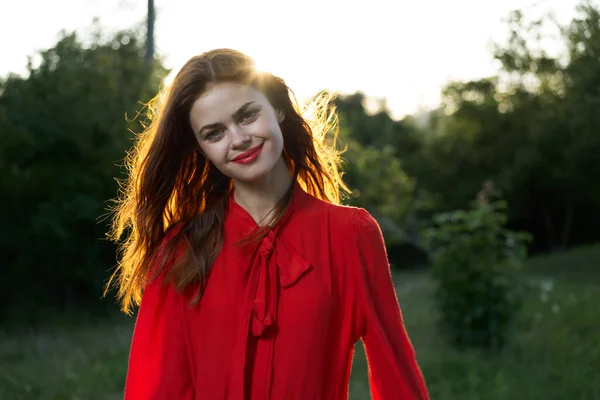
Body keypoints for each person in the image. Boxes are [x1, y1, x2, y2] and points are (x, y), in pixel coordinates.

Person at [106, 48, 429, 400]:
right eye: (214, 133)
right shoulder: (181, 250)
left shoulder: (350, 234)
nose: (239, 139)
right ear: (201, 149)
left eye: (247, 116)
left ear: (276, 108)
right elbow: (158, 388)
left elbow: (393, 367)